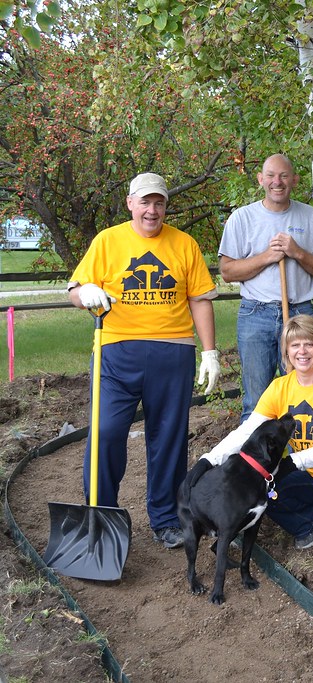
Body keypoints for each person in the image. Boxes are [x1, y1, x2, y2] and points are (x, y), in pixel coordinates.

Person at [68, 172, 220, 549]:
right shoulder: (108, 241)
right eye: (145, 202)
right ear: (130, 204)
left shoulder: (184, 244)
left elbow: (200, 300)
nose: (152, 210)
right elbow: (75, 289)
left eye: (159, 203)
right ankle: (101, 514)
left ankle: (166, 519)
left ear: (166, 206)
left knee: (168, 438)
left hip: (173, 353)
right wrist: (85, 293)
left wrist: (210, 352)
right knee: (105, 433)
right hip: (116, 353)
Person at [200, 315, 313, 551]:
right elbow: (248, 430)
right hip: (305, 472)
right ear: (286, 351)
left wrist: (292, 462)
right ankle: (309, 521)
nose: (302, 351)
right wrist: (210, 459)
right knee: (264, 493)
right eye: (295, 345)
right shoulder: (280, 387)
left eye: (309, 344)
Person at [218, 154, 313, 422]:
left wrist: (297, 252)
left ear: (294, 180)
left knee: (304, 394)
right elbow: (227, 271)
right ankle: (256, 450)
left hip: (300, 312)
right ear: (261, 179)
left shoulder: (310, 216)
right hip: (255, 314)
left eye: (283, 176)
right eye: (270, 176)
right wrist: (267, 257)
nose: (277, 182)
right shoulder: (242, 218)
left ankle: (301, 448)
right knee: (256, 401)